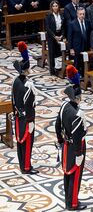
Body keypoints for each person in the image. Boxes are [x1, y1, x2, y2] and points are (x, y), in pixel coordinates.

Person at [55, 65, 87, 211]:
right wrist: (79, 153)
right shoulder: (79, 114)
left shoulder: (63, 106)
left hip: (66, 147)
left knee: (67, 176)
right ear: (78, 98)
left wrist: (60, 140)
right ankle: (73, 203)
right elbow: (78, 135)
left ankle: (68, 201)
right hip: (75, 148)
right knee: (75, 177)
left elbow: (57, 125)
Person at [12, 41, 38, 175]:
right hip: (27, 120)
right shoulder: (28, 86)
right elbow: (29, 105)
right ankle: (26, 167)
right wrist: (30, 120)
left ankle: (22, 164)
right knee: (27, 144)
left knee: (20, 144)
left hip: (17, 117)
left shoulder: (16, 81)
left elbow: (13, 100)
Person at [45, 0, 64, 75]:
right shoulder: (48, 15)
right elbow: (48, 28)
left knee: (59, 52)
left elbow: (63, 26)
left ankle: (59, 67)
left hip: (60, 34)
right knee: (52, 52)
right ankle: (52, 70)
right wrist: (54, 36)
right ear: (51, 7)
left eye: (56, 6)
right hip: (52, 35)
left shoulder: (61, 14)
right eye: (53, 6)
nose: (55, 7)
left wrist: (62, 35)